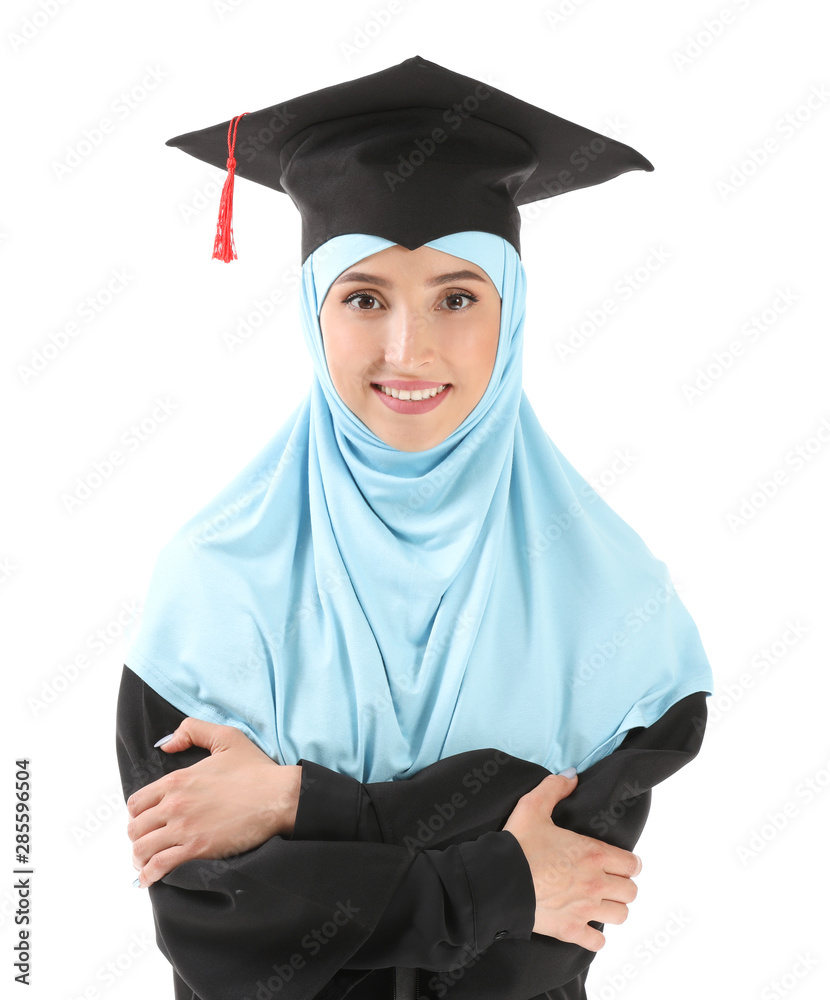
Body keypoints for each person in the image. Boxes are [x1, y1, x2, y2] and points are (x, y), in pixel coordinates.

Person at [115, 55, 714, 1000]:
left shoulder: (612, 599)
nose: (410, 349)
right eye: (364, 298)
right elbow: (221, 935)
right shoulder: (214, 581)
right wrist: (497, 872)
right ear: (314, 315)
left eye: (457, 296)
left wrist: (292, 805)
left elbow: (552, 938)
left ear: (511, 315)